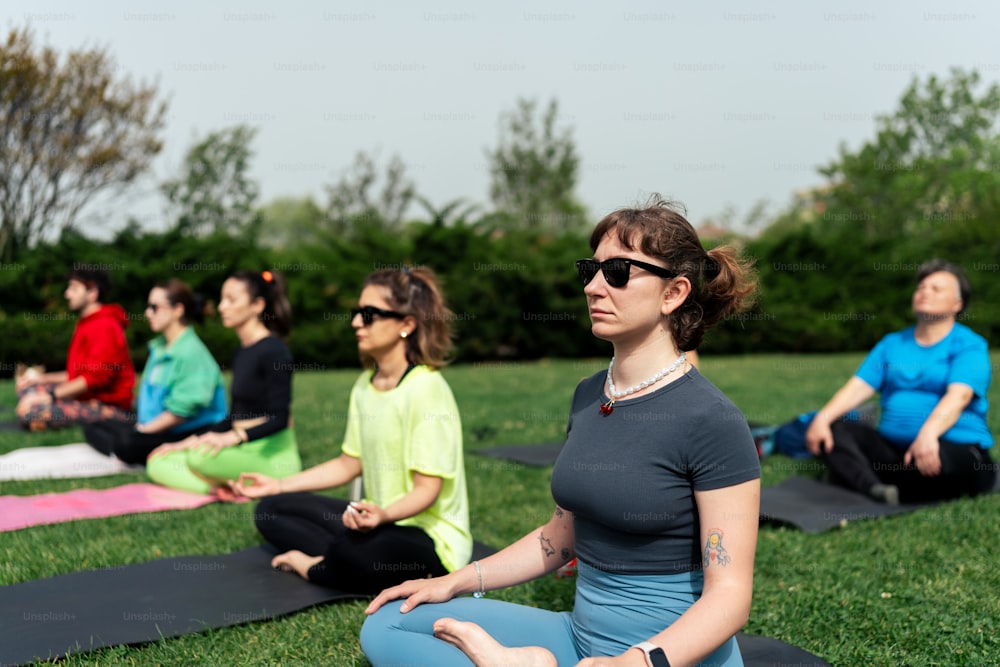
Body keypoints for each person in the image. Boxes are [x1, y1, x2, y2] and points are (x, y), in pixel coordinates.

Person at [362, 198, 760, 667]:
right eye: (590, 270)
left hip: (666, 655)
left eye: (618, 272)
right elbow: (560, 535)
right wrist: (457, 580)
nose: (593, 286)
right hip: (580, 638)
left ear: (673, 293)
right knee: (390, 618)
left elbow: (730, 596)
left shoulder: (712, 420)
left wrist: (635, 662)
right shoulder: (590, 394)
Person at [229, 267, 472, 595]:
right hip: (374, 523)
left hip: (429, 539)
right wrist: (277, 484)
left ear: (406, 324)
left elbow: (427, 490)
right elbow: (348, 463)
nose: (357, 322)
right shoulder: (364, 386)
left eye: (369, 314)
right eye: (357, 313)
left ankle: (317, 566)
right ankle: (341, 558)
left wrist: (383, 515)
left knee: (354, 549)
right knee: (272, 510)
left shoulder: (426, 388)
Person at [805, 259, 994, 505]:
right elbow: (859, 386)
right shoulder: (892, 344)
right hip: (894, 450)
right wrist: (822, 418)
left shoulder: (969, 345)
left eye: (936, 289)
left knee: (936, 463)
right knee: (835, 431)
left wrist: (928, 434)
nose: (925, 292)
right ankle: (875, 488)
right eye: (921, 287)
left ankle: (857, 478)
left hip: (952, 445)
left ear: (958, 304)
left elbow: (959, 396)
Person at [145, 270, 302, 494]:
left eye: (231, 299)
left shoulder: (274, 351)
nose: (221, 307)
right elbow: (234, 416)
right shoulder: (241, 351)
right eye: (222, 299)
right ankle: (218, 490)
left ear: (257, 305)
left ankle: (227, 482)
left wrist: (233, 438)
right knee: (159, 459)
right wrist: (189, 441)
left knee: (199, 459)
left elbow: (280, 417)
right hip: (239, 447)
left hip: (270, 455)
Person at [83, 279, 227, 465]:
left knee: (128, 442)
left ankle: (128, 452)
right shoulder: (160, 347)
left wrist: (143, 431)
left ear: (178, 310)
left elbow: (181, 413)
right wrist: (142, 427)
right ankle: (127, 451)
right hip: (156, 426)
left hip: (187, 431)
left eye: (154, 307)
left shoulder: (191, 352)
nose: (148, 313)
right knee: (94, 425)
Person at [15, 267, 135, 431]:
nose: (67, 294)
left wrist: (48, 396)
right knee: (27, 387)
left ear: (92, 292)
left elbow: (94, 378)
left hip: (109, 407)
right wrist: (42, 379)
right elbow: (77, 374)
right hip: (83, 397)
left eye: (73, 288)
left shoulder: (105, 325)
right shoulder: (86, 322)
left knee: (32, 412)